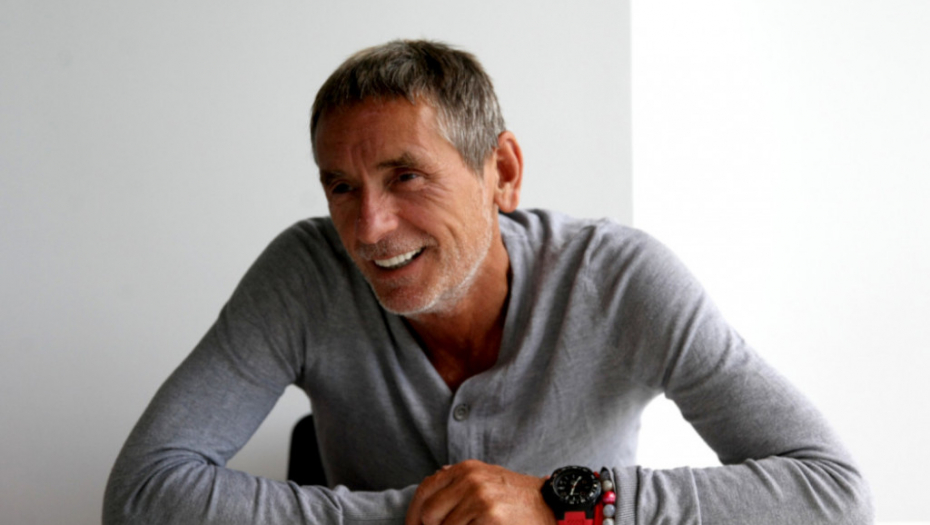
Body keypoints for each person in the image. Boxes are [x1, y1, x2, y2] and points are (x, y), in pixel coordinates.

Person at [103, 40, 872, 525]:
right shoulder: (305, 275)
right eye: (341, 186)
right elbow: (142, 493)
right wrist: (426, 515)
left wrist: (558, 502)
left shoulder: (623, 280)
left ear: (500, 171)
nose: (368, 227)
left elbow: (833, 493)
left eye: (406, 176)